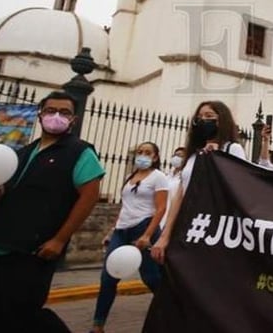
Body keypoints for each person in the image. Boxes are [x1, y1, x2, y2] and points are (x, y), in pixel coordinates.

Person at [0, 91, 104, 333]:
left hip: (38, 246)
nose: (56, 116)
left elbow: (89, 196)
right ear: (40, 115)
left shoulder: (79, 152)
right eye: (50, 111)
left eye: (64, 112)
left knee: (22, 310)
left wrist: (60, 239)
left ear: (74, 119)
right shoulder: (23, 152)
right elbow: (7, 189)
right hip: (5, 241)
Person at [151, 101, 245, 264]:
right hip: (186, 224)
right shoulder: (193, 155)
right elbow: (179, 196)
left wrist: (216, 159)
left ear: (222, 121)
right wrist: (166, 235)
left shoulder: (232, 149)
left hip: (214, 229)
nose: (203, 120)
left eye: (209, 116)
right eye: (199, 117)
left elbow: (239, 188)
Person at [90, 141, 168, 333]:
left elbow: (161, 208)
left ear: (155, 157)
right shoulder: (130, 177)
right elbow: (125, 207)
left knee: (151, 278)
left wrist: (148, 235)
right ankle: (98, 326)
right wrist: (111, 231)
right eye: (140, 152)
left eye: (147, 152)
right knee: (108, 277)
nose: (142, 155)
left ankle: (173, 314)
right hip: (122, 230)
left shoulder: (159, 177)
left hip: (143, 229)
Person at [162, 146, 186, 230]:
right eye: (175, 155)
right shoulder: (166, 176)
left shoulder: (184, 177)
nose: (176, 158)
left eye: (180, 156)